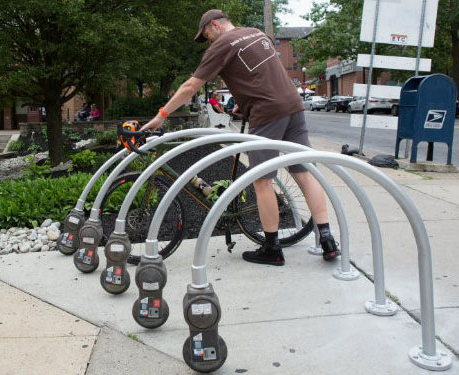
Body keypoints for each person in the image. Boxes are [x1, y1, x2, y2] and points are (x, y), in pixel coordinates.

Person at [142, 9, 340, 266]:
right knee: (303, 171)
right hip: (292, 105)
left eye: (207, 36)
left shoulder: (221, 44)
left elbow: (191, 86)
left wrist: (161, 114)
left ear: (214, 25)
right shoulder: (257, 34)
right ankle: (327, 239)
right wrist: (244, 102)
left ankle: (272, 248)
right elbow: (263, 76)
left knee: (262, 180)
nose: (209, 42)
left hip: (267, 113)